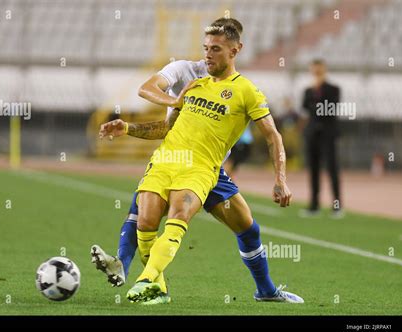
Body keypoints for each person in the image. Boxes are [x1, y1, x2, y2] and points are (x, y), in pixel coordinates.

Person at [96, 19, 303, 305]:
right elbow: (163, 117)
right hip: (170, 160)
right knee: (145, 217)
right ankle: (151, 283)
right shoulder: (190, 79)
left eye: (215, 49)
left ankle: (266, 290)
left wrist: (280, 179)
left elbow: (273, 135)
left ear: (235, 50)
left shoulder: (246, 91)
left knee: (247, 227)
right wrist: (132, 127)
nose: (208, 54)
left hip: (207, 169)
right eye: (206, 48)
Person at [301, 59, 343, 218]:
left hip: (328, 134)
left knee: (332, 169)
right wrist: (315, 95)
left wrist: (317, 99)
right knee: (313, 170)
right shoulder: (308, 90)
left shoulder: (333, 89)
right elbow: (305, 107)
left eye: (318, 69)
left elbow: (330, 107)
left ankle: (337, 206)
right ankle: (314, 205)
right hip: (312, 134)